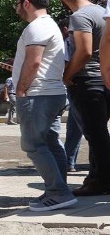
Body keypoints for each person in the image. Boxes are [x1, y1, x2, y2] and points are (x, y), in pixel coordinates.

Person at [13, 0, 76, 211]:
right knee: (50, 142)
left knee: (32, 144)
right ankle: (58, 190)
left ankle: (58, 193)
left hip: (38, 94)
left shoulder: (37, 27)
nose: (16, 9)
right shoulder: (48, 25)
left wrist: (21, 90)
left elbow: (34, 62)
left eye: (17, 4)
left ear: (27, 3)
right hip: (51, 93)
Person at [59, 0, 110, 196]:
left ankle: (103, 181)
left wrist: (67, 75)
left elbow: (85, 51)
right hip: (105, 78)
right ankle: (96, 177)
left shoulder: (79, 17)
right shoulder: (101, 11)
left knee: (95, 134)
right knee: (100, 133)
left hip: (88, 80)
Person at [58, 17, 83, 173]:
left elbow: (65, 63)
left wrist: (65, 78)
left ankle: (69, 161)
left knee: (81, 127)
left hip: (78, 86)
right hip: (84, 86)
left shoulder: (69, 41)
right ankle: (69, 161)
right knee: (77, 126)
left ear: (65, 29)